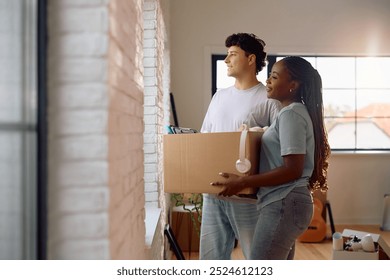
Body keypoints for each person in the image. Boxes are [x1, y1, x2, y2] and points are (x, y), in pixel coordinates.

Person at [212, 56, 331, 259]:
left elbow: (292, 169)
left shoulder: (291, 114)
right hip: (287, 203)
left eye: (274, 77)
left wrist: (244, 181)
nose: (267, 81)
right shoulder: (293, 113)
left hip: (285, 203)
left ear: (293, 85)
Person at [199, 33, 281, 260]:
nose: (226, 60)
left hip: (247, 194)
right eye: (226, 55)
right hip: (213, 192)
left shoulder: (269, 98)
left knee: (256, 258)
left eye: (233, 54)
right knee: (210, 259)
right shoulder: (219, 96)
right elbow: (205, 137)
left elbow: (280, 144)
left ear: (251, 59)